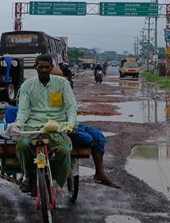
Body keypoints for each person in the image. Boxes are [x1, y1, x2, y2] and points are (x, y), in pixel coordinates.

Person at [13, 55, 77, 192]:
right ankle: (29, 175)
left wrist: (71, 123)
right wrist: (18, 124)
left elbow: (71, 106)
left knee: (64, 151)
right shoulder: (27, 86)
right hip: (34, 126)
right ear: (35, 67)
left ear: (51, 68)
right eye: (40, 67)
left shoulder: (62, 84)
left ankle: (52, 176)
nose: (43, 70)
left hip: (57, 126)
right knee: (23, 145)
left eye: (47, 67)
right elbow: (23, 110)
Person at [71, 123, 120, 188]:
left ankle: (100, 173)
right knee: (86, 138)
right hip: (59, 125)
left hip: (73, 125)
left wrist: (71, 123)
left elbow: (71, 114)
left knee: (98, 136)